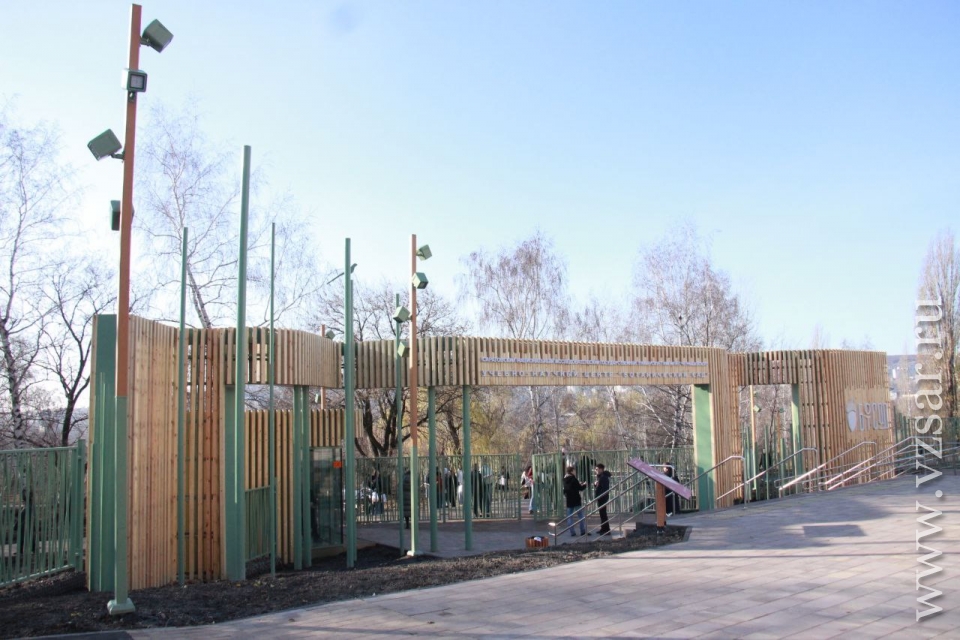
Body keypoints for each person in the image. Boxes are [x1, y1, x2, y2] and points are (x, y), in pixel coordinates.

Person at [562, 465, 587, 537]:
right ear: (572, 471)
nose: (575, 472)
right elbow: (580, 488)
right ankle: (582, 531)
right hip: (576, 500)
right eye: (574, 470)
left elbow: (565, 490)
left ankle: (572, 532)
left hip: (569, 500)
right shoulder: (573, 479)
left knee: (570, 517)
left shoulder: (565, 480)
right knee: (581, 516)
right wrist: (584, 485)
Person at [594, 463, 612, 536]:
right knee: (602, 514)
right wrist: (596, 485)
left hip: (602, 498)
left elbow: (604, 489)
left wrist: (599, 496)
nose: (595, 470)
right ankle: (603, 528)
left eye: (597, 469)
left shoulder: (603, 477)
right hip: (601, 497)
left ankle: (606, 530)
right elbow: (599, 487)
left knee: (603, 514)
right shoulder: (600, 477)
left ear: (601, 469)